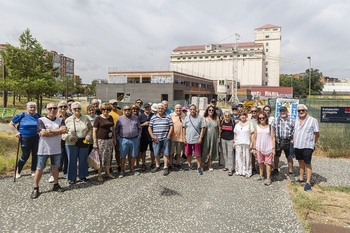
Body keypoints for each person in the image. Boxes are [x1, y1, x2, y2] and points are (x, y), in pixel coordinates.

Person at [31, 103, 66, 199]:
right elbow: (42, 133)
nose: (52, 110)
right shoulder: (41, 120)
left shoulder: (61, 120)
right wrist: (58, 131)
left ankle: (56, 184)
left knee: (55, 168)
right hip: (43, 150)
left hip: (56, 149)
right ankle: (36, 188)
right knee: (40, 169)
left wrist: (49, 131)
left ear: (57, 109)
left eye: (55, 108)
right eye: (50, 108)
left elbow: (64, 131)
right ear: (46, 110)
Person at [63, 102, 93, 185]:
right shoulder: (67, 120)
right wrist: (69, 137)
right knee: (72, 161)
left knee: (83, 159)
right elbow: (62, 133)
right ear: (71, 110)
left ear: (81, 109)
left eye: (78, 108)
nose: (77, 110)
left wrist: (88, 136)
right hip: (71, 143)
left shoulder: (85, 118)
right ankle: (72, 178)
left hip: (83, 142)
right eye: (75, 108)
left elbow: (90, 128)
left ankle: (82, 176)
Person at [9, 102, 40, 178]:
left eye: (34, 107)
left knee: (35, 154)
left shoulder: (38, 116)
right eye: (30, 107)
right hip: (25, 138)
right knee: (25, 155)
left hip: (36, 137)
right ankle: (18, 171)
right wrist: (16, 132)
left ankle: (33, 170)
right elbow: (11, 124)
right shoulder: (21, 115)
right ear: (27, 108)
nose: (32, 109)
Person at [293, 104, 319, 191]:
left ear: (306, 111)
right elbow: (295, 132)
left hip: (307, 146)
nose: (301, 112)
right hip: (298, 145)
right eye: (299, 111)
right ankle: (301, 179)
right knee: (300, 162)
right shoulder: (296, 120)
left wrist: (312, 144)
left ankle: (308, 183)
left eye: (302, 110)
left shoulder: (313, 120)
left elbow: (317, 134)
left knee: (307, 163)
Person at [115, 105, 142, 177]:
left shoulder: (135, 118)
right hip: (124, 139)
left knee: (133, 155)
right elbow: (116, 130)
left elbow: (139, 128)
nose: (127, 111)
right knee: (123, 156)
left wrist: (138, 136)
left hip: (134, 139)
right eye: (125, 109)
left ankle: (132, 169)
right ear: (123, 110)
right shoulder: (120, 118)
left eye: (129, 109)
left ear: (131, 110)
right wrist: (119, 139)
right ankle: (122, 171)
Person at [93, 103, 116, 182]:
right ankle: (99, 175)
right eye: (104, 109)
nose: (106, 111)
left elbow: (113, 129)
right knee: (101, 158)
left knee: (108, 157)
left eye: (107, 109)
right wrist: (95, 142)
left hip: (109, 140)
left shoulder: (111, 117)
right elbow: (94, 131)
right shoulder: (98, 118)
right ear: (101, 110)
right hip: (101, 141)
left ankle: (107, 173)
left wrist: (114, 139)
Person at [148, 103, 174, 176]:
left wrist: (168, 136)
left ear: (164, 109)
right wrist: (152, 137)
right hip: (156, 139)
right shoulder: (153, 117)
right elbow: (149, 128)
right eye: (159, 108)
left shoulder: (168, 116)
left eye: (161, 108)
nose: (160, 110)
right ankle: (157, 166)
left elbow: (171, 126)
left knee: (166, 153)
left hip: (165, 138)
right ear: (157, 109)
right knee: (156, 153)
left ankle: (165, 167)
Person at [271, 106, 296, 180]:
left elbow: (295, 131)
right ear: (279, 112)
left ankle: (291, 172)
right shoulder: (275, 120)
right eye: (281, 111)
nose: (282, 112)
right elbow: (272, 131)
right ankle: (276, 169)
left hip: (288, 141)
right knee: (276, 156)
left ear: (287, 112)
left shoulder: (291, 120)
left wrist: (293, 140)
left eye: (284, 111)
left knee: (289, 157)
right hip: (278, 141)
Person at [253, 112, 275, 186]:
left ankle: (268, 178)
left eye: (263, 118)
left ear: (266, 118)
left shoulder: (270, 127)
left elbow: (273, 138)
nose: (262, 119)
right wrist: (254, 148)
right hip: (259, 148)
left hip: (268, 148)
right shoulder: (257, 127)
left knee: (268, 163)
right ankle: (261, 175)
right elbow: (255, 138)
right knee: (260, 162)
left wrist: (273, 149)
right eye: (260, 118)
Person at [182, 104, 205, 175]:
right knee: (188, 154)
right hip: (188, 139)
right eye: (191, 109)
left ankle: (198, 167)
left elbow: (202, 128)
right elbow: (184, 128)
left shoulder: (199, 118)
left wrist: (201, 137)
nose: (192, 111)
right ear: (189, 110)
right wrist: (183, 138)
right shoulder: (186, 118)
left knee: (198, 154)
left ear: (196, 110)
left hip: (196, 139)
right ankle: (189, 166)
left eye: (193, 109)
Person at [53, 101, 71, 181]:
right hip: (57, 138)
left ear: (67, 107)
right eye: (61, 106)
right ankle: (53, 173)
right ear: (58, 108)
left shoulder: (70, 116)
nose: (63, 108)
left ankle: (65, 172)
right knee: (56, 156)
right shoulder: (55, 116)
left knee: (67, 155)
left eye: (64, 106)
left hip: (67, 138)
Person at [234, 111, 254, 177]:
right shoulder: (237, 124)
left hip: (247, 142)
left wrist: (251, 143)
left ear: (246, 116)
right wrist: (234, 142)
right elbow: (235, 133)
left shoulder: (250, 124)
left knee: (247, 158)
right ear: (239, 116)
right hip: (238, 142)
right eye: (241, 115)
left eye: (244, 115)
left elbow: (252, 134)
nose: (242, 116)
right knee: (239, 157)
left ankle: (247, 172)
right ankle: (239, 171)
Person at [201, 105, 221, 171]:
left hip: (214, 137)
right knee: (204, 150)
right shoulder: (203, 118)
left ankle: (210, 165)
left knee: (212, 150)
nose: (211, 111)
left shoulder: (216, 118)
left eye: (212, 110)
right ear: (207, 111)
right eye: (209, 110)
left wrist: (219, 137)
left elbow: (219, 128)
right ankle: (202, 165)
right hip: (206, 137)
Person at [139, 103, 155, 170]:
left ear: (150, 108)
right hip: (144, 136)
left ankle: (153, 163)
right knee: (143, 151)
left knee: (152, 150)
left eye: (148, 107)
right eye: (146, 107)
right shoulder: (140, 116)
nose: (147, 108)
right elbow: (137, 126)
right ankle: (143, 164)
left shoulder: (153, 115)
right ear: (143, 108)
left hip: (152, 136)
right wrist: (143, 124)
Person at [109, 99, 124, 172]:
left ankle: (118, 164)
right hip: (110, 134)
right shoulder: (108, 112)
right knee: (110, 151)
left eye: (115, 104)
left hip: (118, 133)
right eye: (112, 104)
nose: (114, 105)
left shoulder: (120, 112)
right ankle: (109, 165)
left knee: (118, 151)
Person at [170, 104, 186, 171]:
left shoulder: (184, 115)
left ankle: (178, 164)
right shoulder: (171, 115)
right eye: (177, 108)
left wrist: (184, 137)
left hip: (181, 137)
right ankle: (170, 164)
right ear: (175, 109)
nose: (178, 110)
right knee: (171, 152)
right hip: (172, 137)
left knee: (178, 152)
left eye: (180, 108)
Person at [220, 111, 236, 176]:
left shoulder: (232, 123)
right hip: (223, 139)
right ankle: (226, 165)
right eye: (226, 115)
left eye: (228, 115)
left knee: (230, 153)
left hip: (230, 139)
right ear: (224, 116)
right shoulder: (222, 122)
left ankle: (231, 168)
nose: (227, 116)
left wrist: (234, 141)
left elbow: (235, 132)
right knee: (224, 153)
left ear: (230, 116)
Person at [248, 106, 259, 174]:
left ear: (257, 111)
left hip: (259, 138)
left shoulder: (260, 119)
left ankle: (261, 167)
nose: (254, 112)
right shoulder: (248, 119)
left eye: (255, 111)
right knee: (252, 154)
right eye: (252, 111)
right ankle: (253, 167)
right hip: (251, 139)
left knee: (260, 154)